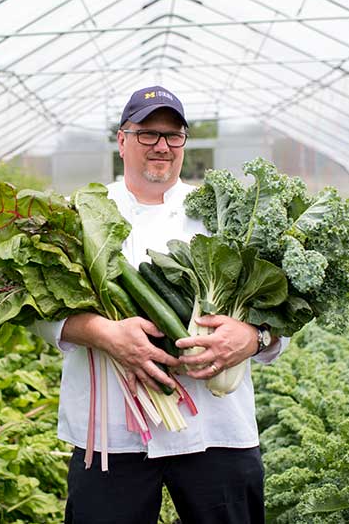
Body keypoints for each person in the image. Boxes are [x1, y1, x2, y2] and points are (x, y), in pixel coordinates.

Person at [32, 86, 287, 524]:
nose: (162, 146)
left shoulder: (223, 214)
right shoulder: (81, 211)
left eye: (173, 135)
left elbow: (280, 308)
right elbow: (39, 314)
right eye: (147, 133)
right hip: (112, 433)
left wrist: (254, 336)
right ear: (122, 140)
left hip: (217, 426)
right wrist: (105, 334)